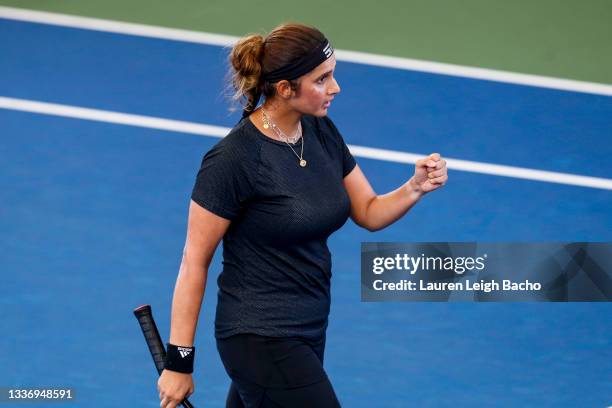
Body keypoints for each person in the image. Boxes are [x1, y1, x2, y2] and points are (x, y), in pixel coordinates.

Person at [157, 22, 448, 408]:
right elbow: (194, 261)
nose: (335, 87)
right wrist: (179, 363)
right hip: (259, 335)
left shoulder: (321, 131)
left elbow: (369, 211)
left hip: (309, 329)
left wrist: (414, 187)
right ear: (285, 89)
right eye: (322, 79)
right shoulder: (233, 160)